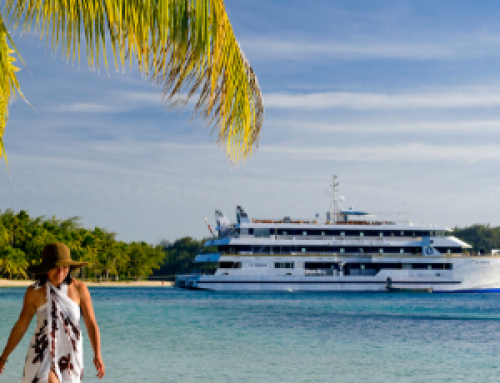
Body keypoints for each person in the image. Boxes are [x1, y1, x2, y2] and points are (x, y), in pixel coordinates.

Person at [0, 243, 105, 382]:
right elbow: (21, 326)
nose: (60, 271)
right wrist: (4, 357)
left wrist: (97, 353)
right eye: (56, 267)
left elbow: (91, 324)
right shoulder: (34, 292)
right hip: (42, 353)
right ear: (46, 268)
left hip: (70, 355)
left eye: (65, 267)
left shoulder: (80, 289)